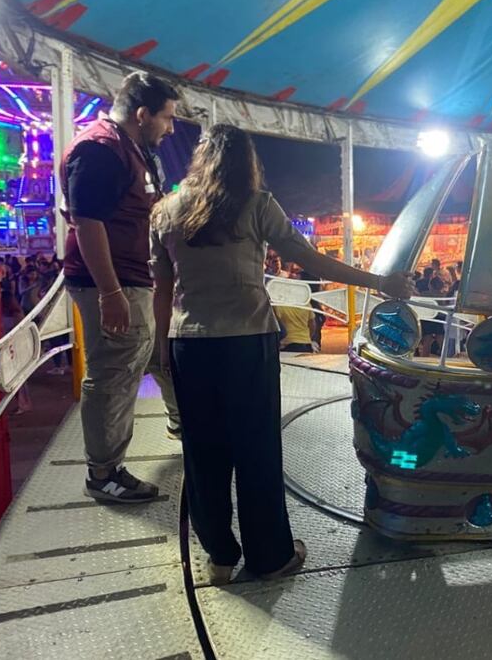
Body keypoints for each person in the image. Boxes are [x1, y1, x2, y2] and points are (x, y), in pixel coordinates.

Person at [150, 124, 412, 584]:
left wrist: (160, 347)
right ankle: (269, 556)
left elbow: (163, 287)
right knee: (256, 450)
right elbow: (310, 261)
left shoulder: (165, 211)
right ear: (245, 163)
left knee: (202, 453)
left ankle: (218, 557)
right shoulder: (256, 205)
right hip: (246, 341)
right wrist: (378, 282)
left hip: (188, 343)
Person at [61, 71, 182, 502]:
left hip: (133, 277)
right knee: (113, 374)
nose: (170, 129)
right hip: (113, 283)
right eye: (166, 119)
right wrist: (110, 293)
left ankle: (180, 423)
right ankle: (104, 473)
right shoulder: (100, 149)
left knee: (151, 353)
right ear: (142, 113)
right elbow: (87, 222)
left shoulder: (131, 149)